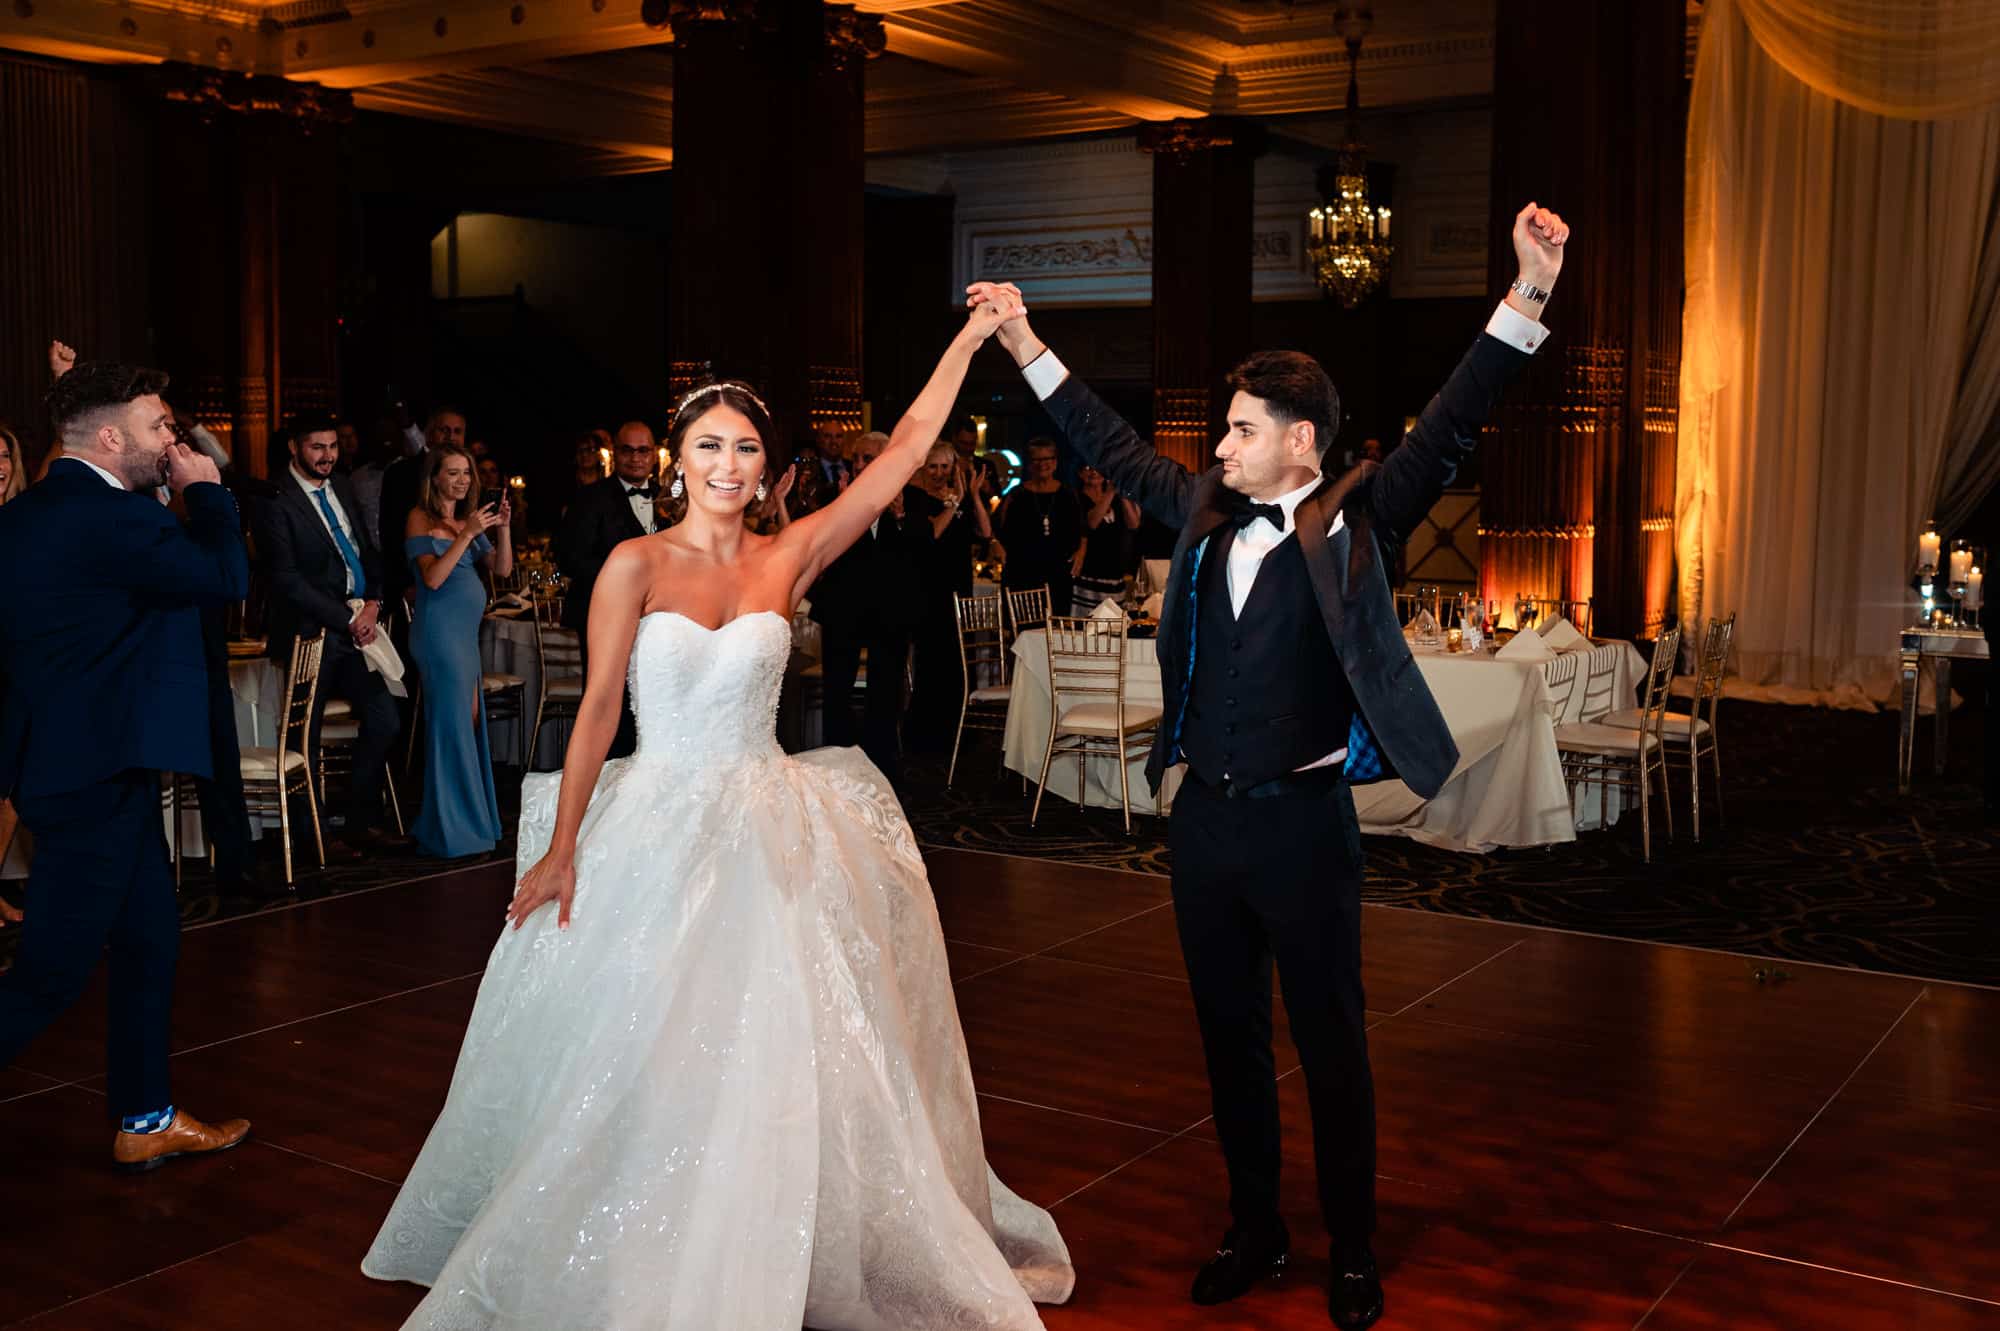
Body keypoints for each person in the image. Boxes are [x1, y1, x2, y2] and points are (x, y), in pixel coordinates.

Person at [362, 297, 1072, 1329]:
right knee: (638, 1039)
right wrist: (562, 849)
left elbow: (910, 444)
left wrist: (969, 339)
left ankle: (763, 1222)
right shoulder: (633, 564)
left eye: (745, 447)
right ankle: (641, 1225)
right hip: (654, 816)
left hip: (769, 822)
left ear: (765, 463)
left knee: (780, 1037)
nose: (728, 463)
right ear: (676, 459)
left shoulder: (788, 554)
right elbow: (599, 706)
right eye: (709, 445)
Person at [967, 201, 1569, 1331]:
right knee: (1226, 1036)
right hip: (1203, 823)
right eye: (1225, 430)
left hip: (1303, 826)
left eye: (1243, 429)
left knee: (1330, 1042)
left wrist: (1526, 288)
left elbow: (1452, 417)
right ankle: (1253, 1224)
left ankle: (1349, 1245)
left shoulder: (1361, 516)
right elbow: (1103, 437)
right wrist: (1018, 338)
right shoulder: (1199, 511)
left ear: (1301, 439)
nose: (1221, 445)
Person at [0, 360, 252, 1170]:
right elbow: (225, 577)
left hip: (70, 765)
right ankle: (143, 1116)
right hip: (99, 775)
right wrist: (206, 489)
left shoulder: (26, 514)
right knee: (48, 974)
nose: (171, 441)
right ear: (110, 438)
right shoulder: (119, 519)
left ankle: (144, 1117)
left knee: (150, 939)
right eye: (158, 428)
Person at [254, 412, 408, 860]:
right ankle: (315, 834)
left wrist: (375, 601)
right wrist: (345, 618)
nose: (327, 456)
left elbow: (366, 549)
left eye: (332, 447)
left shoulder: (340, 485)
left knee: (386, 721)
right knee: (308, 736)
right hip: (311, 633)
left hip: (361, 627)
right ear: (294, 448)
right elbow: (284, 578)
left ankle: (359, 822)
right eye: (317, 447)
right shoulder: (275, 498)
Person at [404, 445, 511, 858]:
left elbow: (500, 570)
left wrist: (500, 527)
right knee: (452, 726)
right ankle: (453, 831)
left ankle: (460, 822)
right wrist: (466, 533)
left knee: (465, 723)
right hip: (437, 634)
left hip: (465, 637)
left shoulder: (465, 522)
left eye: (466, 473)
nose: (462, 480)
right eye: (453, 473)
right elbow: (432, 578)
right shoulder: (421, 518)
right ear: (434, 478)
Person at [807, 430, 921, 783]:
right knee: (837, 690)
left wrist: (901, 519)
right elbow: (819, 550)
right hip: (844, 607)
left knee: (885, 692)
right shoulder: (832, 496)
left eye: (868, 458)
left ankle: (881, 767)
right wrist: (841, 513)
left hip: (890, 611)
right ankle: (835, 767)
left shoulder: (912, 498)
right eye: (856, 458)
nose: (859, 465)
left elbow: (922, 556)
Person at [553, 420, 661, 760]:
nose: (635, 458)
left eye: (643, 450)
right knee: (610, 701)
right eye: (627, 450)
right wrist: (625, 581)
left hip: (659, 620)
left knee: (653, 700)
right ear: (615, 453)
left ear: (654, 456)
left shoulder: (670, 499)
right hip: (603, 616)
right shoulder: (590, 498)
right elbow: (569, 558)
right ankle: (607, 782)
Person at [906, 439, 993, 752]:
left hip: (959, 590)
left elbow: (985, 532)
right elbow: (932, 534)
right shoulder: (916, 498)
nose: (939, 473)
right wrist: (952, 504)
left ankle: (957, 733)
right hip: (930, 592)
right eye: (934, 466)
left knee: (957, 665)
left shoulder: (959, 498)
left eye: (945, 466)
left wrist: (971, 496)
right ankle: (927, 737)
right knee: (931, 663)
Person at [378, 406, 467, 622]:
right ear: (428, 433)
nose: (450, 437)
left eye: (457, 431)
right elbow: (391, 535)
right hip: (414, 592)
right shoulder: (400, 472)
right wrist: (405, 586)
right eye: (444, 430)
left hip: (460, 593)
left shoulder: (469, 476)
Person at [992, 436, 1084, 616]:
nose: (1042, 464)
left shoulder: (1068, 494)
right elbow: (996, 529)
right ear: (1029, 464)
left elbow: (1083, 529)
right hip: (1022, 575)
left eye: (1047, 459)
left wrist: (1082, 551)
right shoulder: (1016, 495)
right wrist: (996, 545)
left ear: (1055, 462)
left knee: (1055, 633)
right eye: (1037, 459)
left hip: (1058, 575)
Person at [1071, 462, 1141, 615]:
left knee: (1113, 629)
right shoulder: (1076, 497)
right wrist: (1110, 492)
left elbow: (1134, 523)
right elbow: (1092, 523)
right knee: (1088, 631)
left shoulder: (1115, 498)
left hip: (1115, 577)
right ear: (1080, 473)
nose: (1094, 472)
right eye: (1088, 468)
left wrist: (1121, 493)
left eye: (1098, 467)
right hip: (1089, 576)